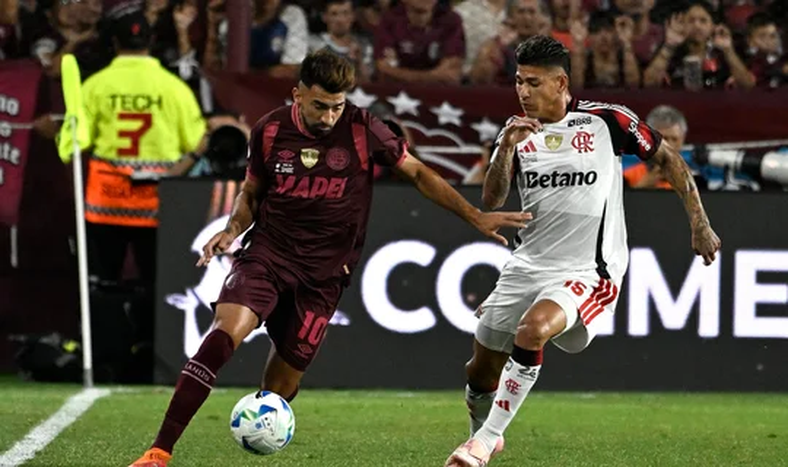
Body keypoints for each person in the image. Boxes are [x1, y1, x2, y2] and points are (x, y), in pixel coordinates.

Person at [128, 49, 530, 467]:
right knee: (223, 334)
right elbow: (251, 193)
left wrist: (474, 214)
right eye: (320, 105)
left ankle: (262, 427)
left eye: (337, 106)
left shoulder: (362, 127)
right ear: (297, 94)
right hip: (269, 254)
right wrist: (232, 231)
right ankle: (160, 451)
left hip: (323, 278)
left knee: (279, 389)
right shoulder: (269, 131)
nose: (329, 116)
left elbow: (417, 173)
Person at [443, 35, 721, 467]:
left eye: (533, 83)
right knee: (479, 374)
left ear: (561, 83)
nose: (523, 92)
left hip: (589, 270)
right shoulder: (517, 131)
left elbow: (668, 159)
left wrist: (700, 223)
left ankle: (481, 446)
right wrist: (506, 148)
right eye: (518, 82)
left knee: (533, 330)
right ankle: (483, 433)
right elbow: (494, 200)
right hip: (527, 264)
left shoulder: (606, 121)